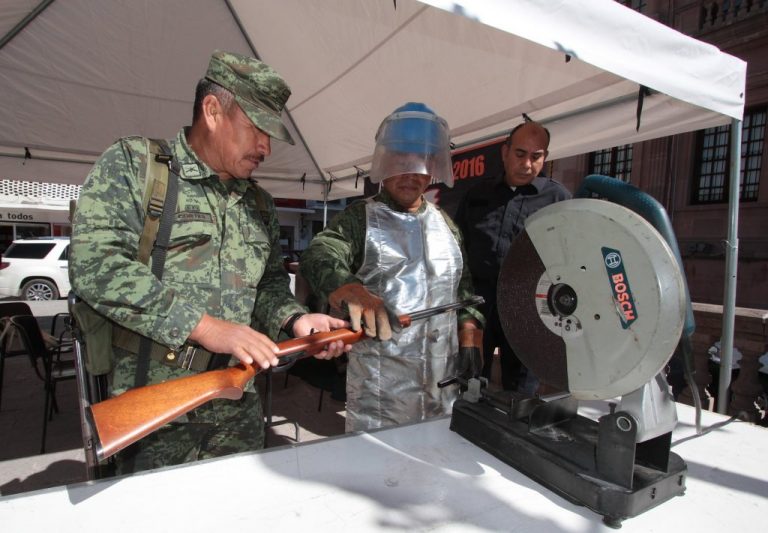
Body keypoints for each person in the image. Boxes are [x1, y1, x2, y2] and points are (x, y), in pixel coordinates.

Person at [69, 50, 349, 474]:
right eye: (257, 128)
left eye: (271, 135)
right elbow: (95, 264)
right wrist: (205, 327)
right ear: (213, 110)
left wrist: (297, 321)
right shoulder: (135, 165)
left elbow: (268, 286)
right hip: (154, 408)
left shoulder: (260, 204)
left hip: (237, 405)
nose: (266, 147)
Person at [300, 102, 484, 432]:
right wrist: (349, 289)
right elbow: (320, 252)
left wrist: (470, 333)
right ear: (386, 162)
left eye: (420, 163)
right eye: (401, 160)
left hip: (444, 390)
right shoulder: (361, 218)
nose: (410, 174)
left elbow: (464, 290)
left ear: (432, 167)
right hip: (381, 394)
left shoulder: (446, 225)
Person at [456, 121, 571, 391]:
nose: (527, 164)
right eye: (520, 154)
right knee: (469, 385)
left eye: (536, 156)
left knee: (521, 394)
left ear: (545, 158)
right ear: (505, 152)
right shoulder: (477, 194)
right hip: (478, 308)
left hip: (528, 311)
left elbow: (572, 259)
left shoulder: (559, 200)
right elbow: (457, 249)